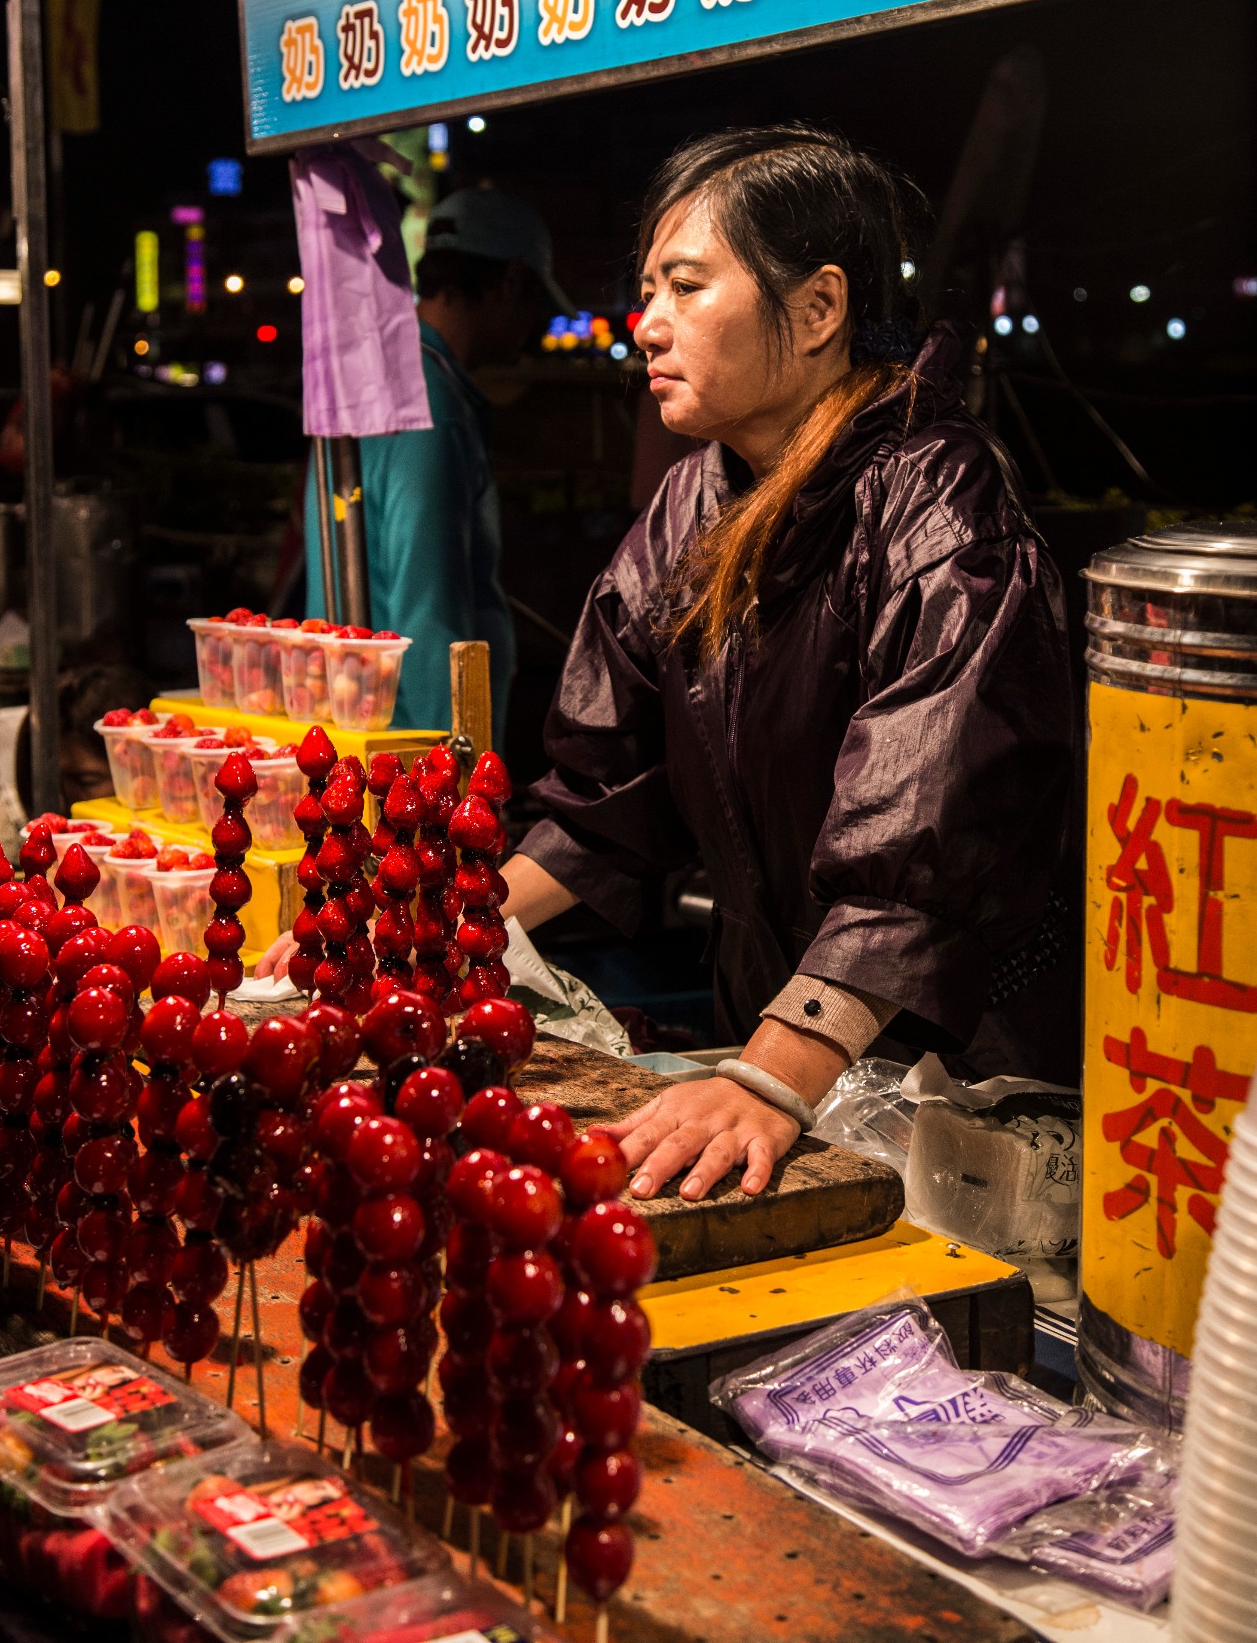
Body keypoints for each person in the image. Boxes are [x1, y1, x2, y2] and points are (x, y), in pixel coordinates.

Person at [500, 126, 1075, 1206]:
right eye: (647, 290)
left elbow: (927, 843)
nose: (647, 323)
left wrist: (773, 1072)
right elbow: (601, 804)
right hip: (780, 1064)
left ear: (817, 309)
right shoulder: (690, 504)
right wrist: (443, 932)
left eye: (685, 286)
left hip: (953, 1092)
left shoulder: (938, 506)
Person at [305, 187, 553, 736]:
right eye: (537, 301)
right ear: (512, 282)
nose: (534, 324)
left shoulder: (377, 378)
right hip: (412, 747)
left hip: (357, 724)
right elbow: (429, 608)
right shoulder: (429, 405)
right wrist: (456, 768)